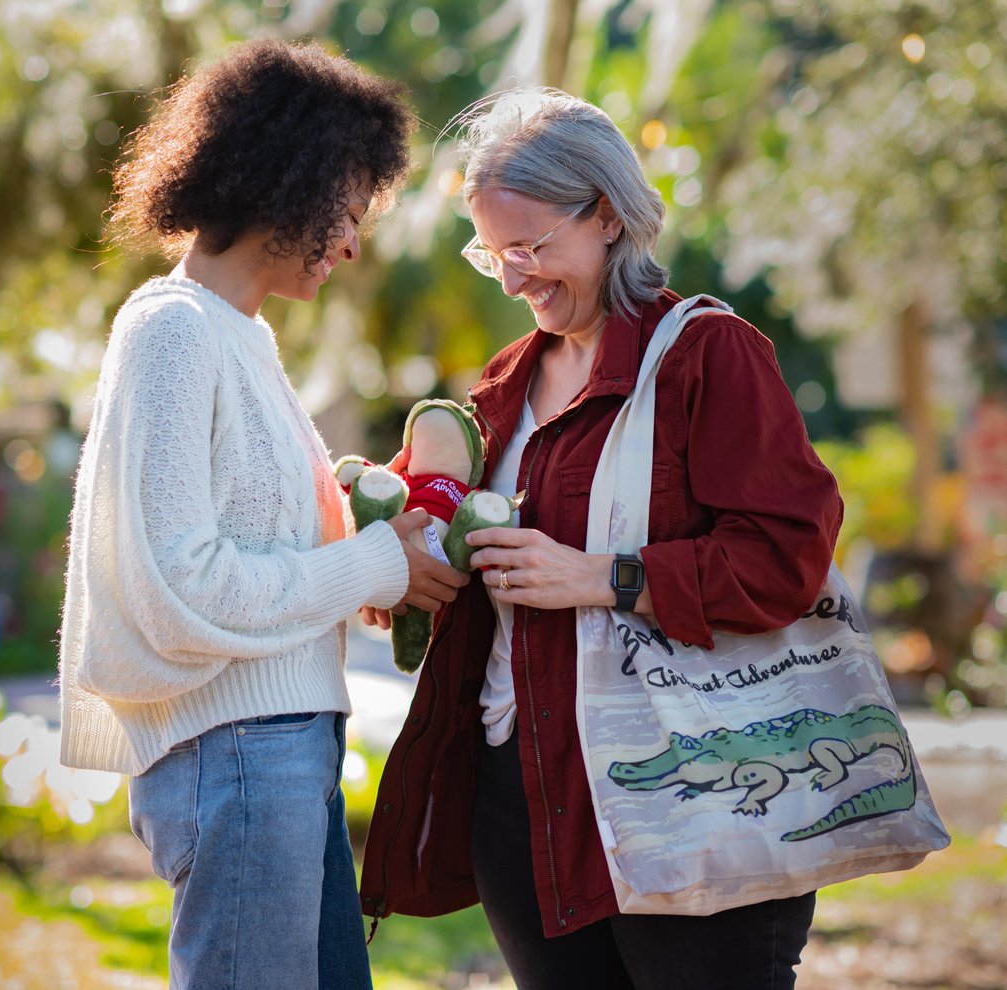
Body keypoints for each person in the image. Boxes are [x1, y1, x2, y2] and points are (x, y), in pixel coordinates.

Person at [358, 89, 843, 990]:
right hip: (525, 799)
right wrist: (408, 575)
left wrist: (599, 576)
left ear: (610, 217)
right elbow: (452, 538)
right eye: (490, 254)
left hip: (694, 787)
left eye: (532, 248)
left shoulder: (708, 356)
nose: (511, 279)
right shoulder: (503, 384)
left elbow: (787, 561)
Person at [56, 40, 467, 990]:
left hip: (275, 749)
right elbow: (179, 584)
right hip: (237, 755)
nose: (354, 243)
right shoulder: (173, 330)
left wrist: (367, 545)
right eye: (348, 208)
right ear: (289, 182)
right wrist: (369, 566)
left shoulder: (239, 337)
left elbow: (257, 548)